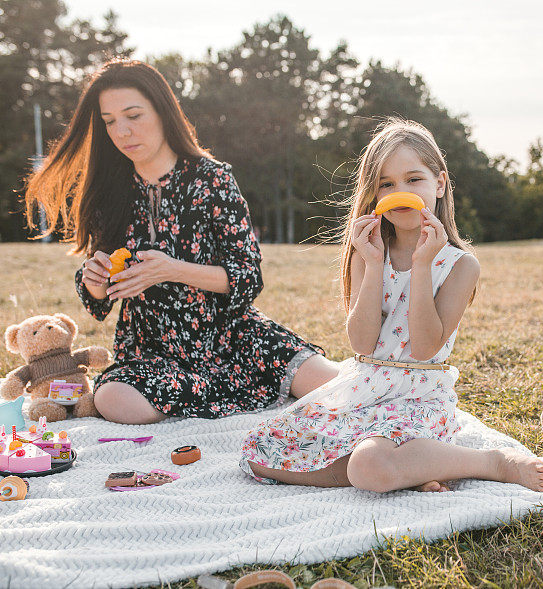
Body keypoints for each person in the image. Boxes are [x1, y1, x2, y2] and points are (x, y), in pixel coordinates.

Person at [240, 119, 543, 493]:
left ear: (439, 184)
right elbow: (361, 343)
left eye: (413, 180)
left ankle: (490, 462)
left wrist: (422, 266)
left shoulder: (460, 266)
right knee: (259, 452)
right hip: (366, 388)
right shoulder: (370, 255)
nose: (400, 191)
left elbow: (425, 347)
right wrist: (373, 264)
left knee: (367, 464)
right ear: (374, 196)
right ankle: (410, 468)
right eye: (386, 184)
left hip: (417, 395)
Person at [22, 59, 339, 424]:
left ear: (162, 112)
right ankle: (221, 394)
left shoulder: (212, 179)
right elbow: (100, 303)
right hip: (153, 353)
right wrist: (94, 282)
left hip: (232, 335)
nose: (122, 131)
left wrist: (173, 270)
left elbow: (248, 277)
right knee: (112, 399)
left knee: (336, 387)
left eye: (133, 116)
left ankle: (231, 388)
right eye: (110, 122)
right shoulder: (109, 191)